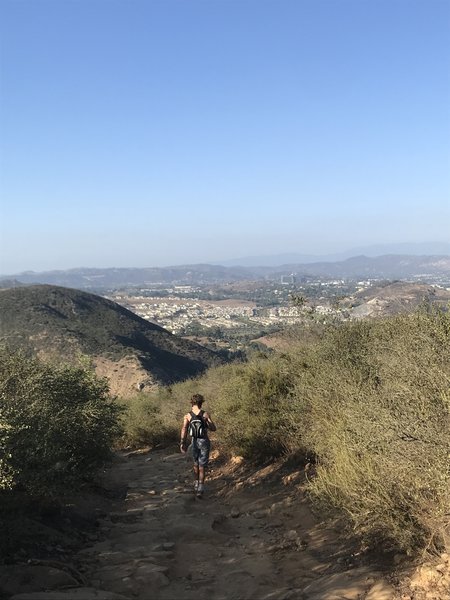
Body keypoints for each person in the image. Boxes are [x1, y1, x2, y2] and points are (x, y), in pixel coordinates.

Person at [180, 393, 216, 497]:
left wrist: (182, 442)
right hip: (204, 441)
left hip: (194, 441)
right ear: (201, 403)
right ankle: (201, 487)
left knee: (196, 464)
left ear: (192, 403)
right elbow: (213, 428)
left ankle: (196, 483)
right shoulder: (205, 414)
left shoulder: (187, 415)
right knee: (202, 465)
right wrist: (208, 420)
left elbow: (184, 429)